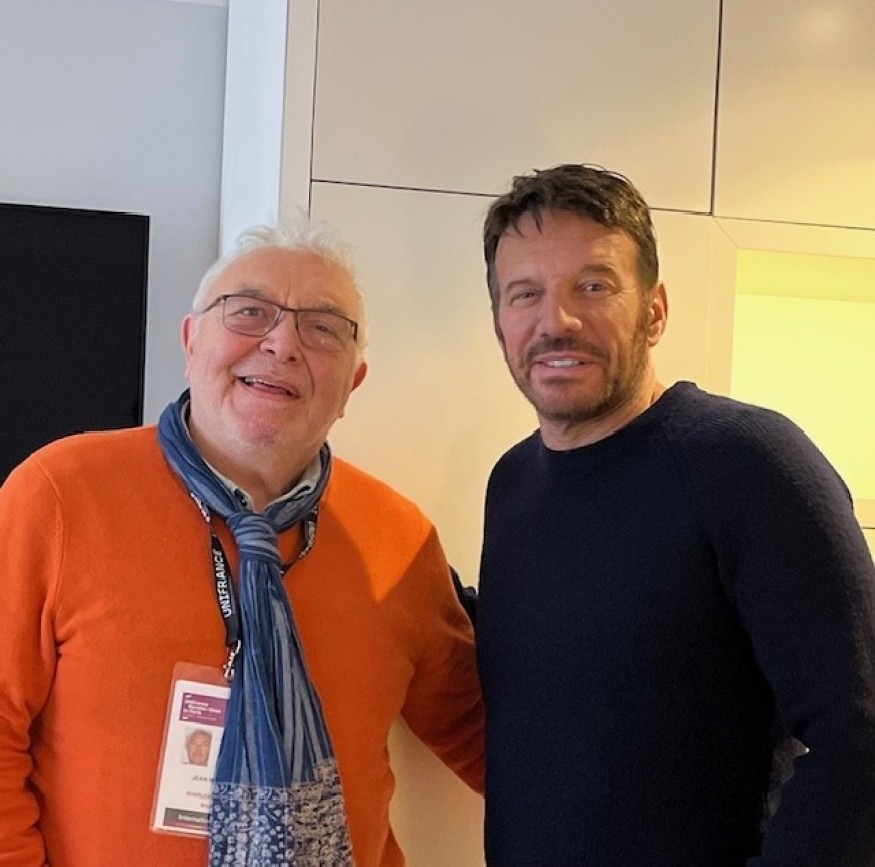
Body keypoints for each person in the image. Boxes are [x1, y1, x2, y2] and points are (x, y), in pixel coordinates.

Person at [0, 219, 483, 866]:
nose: (282, 343)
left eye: (322, 327)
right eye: (249, 311)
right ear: (190, 340)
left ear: (353, 383)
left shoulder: (400, 539)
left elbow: (484, 736)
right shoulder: (60, 495)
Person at [476, 163, 875, 864]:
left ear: (655, 311)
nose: (556, 321)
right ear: (499, 323)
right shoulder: (510, 484)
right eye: (525, 293)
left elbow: (858, 725)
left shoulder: (748, 461)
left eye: (593, 286)